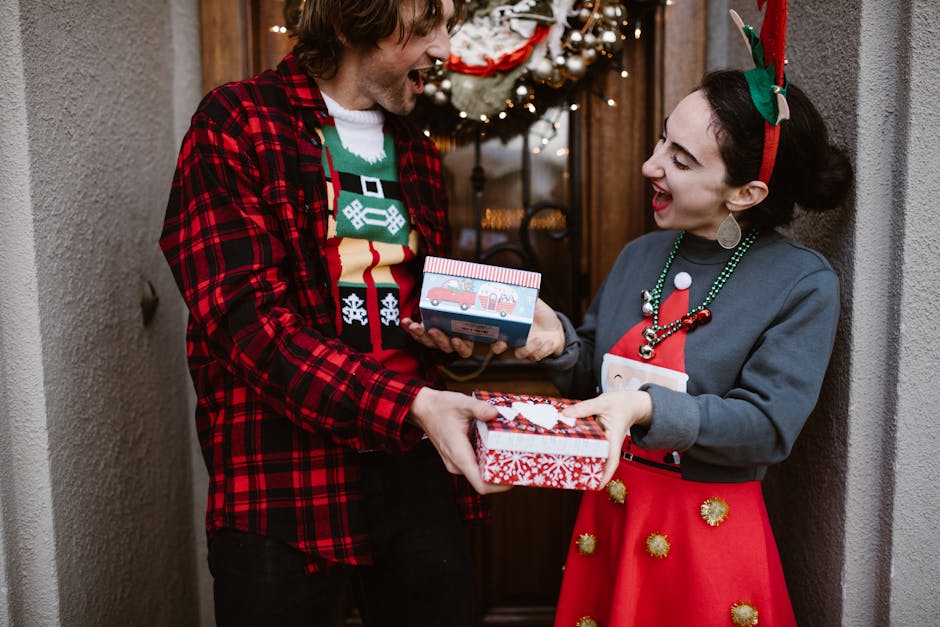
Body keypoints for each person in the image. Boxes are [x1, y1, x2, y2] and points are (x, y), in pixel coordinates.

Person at [160, 1, 509, 625]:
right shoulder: (236, 123)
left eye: (447, 27)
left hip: (415, 463)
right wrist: (410, 403)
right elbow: (249, 326)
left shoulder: (420, 154)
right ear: (353, 20)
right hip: (282, 481)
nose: (444, 51)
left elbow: (416, 303)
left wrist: (460, 336)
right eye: (426, 25)